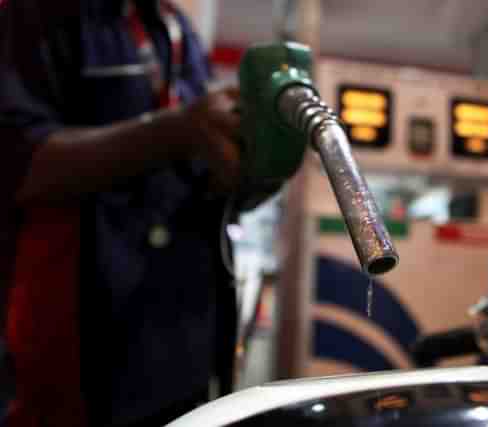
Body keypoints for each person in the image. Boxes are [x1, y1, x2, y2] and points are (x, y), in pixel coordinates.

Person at [0, 1, 280, 426]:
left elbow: (198, 181)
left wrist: (262, 168)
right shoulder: (34, 15)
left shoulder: (174, 28)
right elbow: (21, 165)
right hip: (79, 354)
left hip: (181, 348)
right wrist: (177, 129)